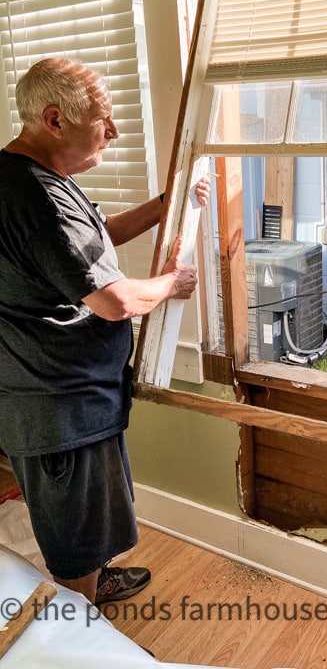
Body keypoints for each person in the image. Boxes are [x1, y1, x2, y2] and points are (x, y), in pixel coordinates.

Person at [0, 57, 210, 606]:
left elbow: (99, 239)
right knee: (77, 532)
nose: (114, 132)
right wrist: (170, 284)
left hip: (69, 392)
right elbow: (115, 301)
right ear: (54, 120)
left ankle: (88, 580)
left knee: (90, 521)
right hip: (60, 406)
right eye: (104, 119)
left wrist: (170, 204)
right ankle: (82, 623)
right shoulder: (36, 197)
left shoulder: (33, 176)